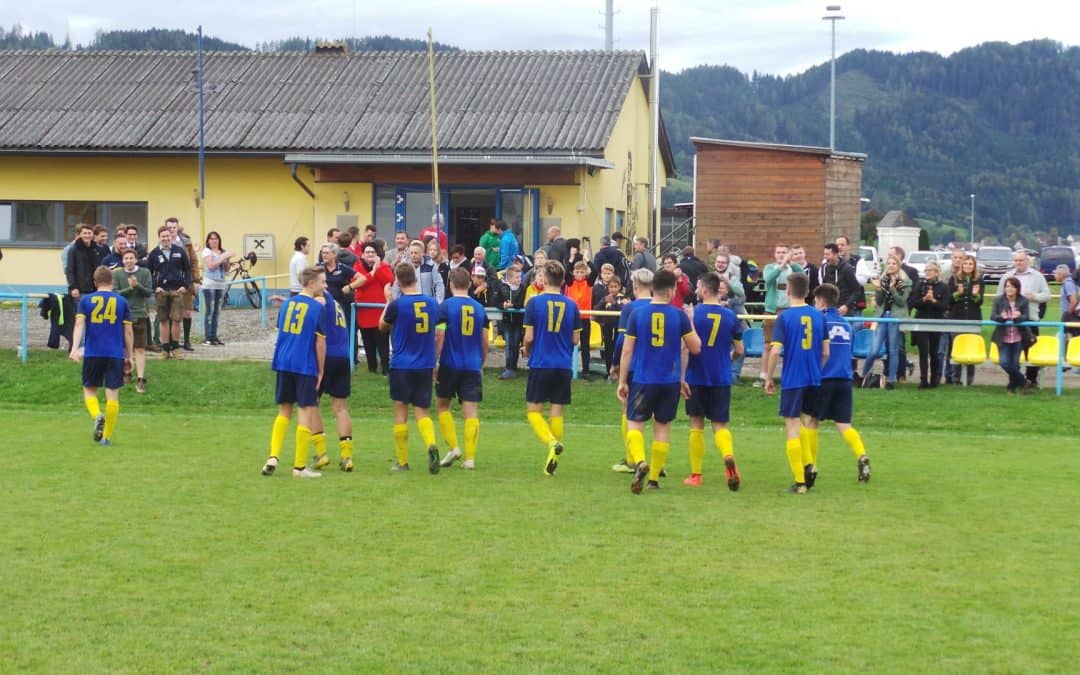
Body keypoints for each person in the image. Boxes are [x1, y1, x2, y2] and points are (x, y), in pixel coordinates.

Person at [618, 269, 701, 493]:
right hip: (670, 380)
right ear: (673, 291)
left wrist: (622, 381)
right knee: (662, 428)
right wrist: (690, 322)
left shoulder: (638, 314)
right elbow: (695, 347)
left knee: (635, 423)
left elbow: (627, 351)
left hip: (644, 378)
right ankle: (654, 478)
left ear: (652, 288)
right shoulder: (679, 315)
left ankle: (640, 461)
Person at [762, 272, 828, 494]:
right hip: (814, 378)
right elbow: (826, 352)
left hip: (793, 378)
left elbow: (775, 350)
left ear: (788, 291)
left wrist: (768, 377)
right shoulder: (819, 316)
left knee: (792, 424)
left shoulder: (785, 318)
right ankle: (810, 463)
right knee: (807, 422)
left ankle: (800, 481)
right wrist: (816, 368)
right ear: (808, 291)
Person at [802, 283, 872, 485]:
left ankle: (812, 465)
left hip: (824, 379)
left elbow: (817, 351)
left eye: (815, 301)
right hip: (844, 379)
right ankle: (861, 455)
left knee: (812, 421)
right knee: (844, 424)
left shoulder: (818, 323)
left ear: (821, 301)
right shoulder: (846, 325)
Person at [260, 267, 327, 478]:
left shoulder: (287, 303)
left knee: (284, 411)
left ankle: (273, 456)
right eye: (321, 282)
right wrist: (321, 371)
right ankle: (299, 467)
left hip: (283, 361)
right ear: (310, 284)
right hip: (303, 364)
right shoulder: (316, 308)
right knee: (305, 410)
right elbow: (320, 343)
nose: (324, 286)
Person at [681, 271, 743, 490]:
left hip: (696, 376)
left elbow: (685, 347)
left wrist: (681, 376)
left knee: (696, 424)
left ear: (705, 290)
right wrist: (728, 358)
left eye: (698, 287)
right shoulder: (730, 316)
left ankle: (696, 475)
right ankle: (728, 456)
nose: (696, 290)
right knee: (720, 424)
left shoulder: (693, 315)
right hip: (721, 376)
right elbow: (739, 350)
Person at [522, 260, 582, 476]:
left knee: (533, 411)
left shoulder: (534, 303)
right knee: (557, 410)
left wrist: (526, 349)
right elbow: (576, 340)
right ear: (563, 280)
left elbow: (528, 337)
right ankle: (554, 453)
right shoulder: (572, 305)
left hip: (541, 362)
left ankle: (551, 443)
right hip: (563, 365)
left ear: (544, 279)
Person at [380, 262, 441, 473]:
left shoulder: (397, 305)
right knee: (422, 411)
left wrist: (388, 300)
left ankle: (403, 461)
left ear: (397, 281)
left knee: (400, 412)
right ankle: (431, 444)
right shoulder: (432, 304)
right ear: (415, 277)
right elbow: (438, 330)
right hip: (425, 364)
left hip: (401, 364)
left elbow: (382, 326)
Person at [70, 266, 134, 446]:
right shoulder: (121, 301)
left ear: (94, 282)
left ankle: (97, 415)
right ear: (112, 282)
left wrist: (75, 348)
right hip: (115, 354)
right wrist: (130, 356)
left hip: (93, 352)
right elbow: (128, 331)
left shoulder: (86, 300)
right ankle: (106, 437)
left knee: (89, 389)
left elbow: (79, 324)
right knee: (113, 395)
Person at [434, 267, 489, 470]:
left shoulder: (445, 307)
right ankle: (470, 458)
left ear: (450, 284)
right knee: (471, 412)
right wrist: (481, 362)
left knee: (442, 406)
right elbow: (485, 341)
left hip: (449, 363)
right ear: (469, 284)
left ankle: (454, 447)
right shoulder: (480, 309)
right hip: (472, 365)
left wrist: (435, 362)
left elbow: (439, 336)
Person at [610, 268, 654, 472]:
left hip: (635, 367)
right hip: (658, 369)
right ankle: (656, 463)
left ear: (635, 285)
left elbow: (622, 341)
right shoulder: (662, 306)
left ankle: (632, 459)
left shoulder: (631, 308)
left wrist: (615, 364)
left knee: (630, 412)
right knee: (655, 417)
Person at [309, 288, 356, 473]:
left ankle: (321, 454)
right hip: (343, 358)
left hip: (325, 357)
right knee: (341, 408)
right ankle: (346, 457)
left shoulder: (320, 299)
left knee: (312, 404)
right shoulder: (336, 303)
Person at [995, 250, 1050, 391]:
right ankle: (1017, 382)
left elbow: (1047, 295)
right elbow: (998, 296)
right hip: (1010, 321)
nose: (1019, 263)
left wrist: (1034, 297)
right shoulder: (1007, 276)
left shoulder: (1037, 276)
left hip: (1030, 320)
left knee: (1031, 352)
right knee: (1012, 356)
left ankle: (1032, 380)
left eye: (1021, 260)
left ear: (1027, 261)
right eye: (1016, 260)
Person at [860, 256, 911, 390]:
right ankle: (864, 375)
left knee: (893, 349)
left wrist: (893, 288)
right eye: (889, 263)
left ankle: (891, 380)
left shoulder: (905, 282)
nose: (891, 265)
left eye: (894, 263)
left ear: (899, 266)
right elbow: (880, 301)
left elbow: (901, 301)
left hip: (894, 317)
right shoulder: (883, 280)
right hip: (882, 316)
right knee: (875, 350)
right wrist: (879, 288)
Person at [757, 243, 804, 387]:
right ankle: (763, 375)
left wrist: (791, 263)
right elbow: (769, 279)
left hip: (789, 310)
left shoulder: (793, 269)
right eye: (779, 252)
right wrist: (782, 265)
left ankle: (790, 374)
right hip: (772, 310)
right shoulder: (769, 268)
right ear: (774, 254)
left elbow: (801, 275)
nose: (781, 254)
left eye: (784, 252)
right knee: (768, 344)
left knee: (791, 344)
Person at [146, 224, 191, 359]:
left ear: (171, 236)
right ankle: (165, 350)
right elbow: (149, 272)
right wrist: (155, 287)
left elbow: (187, 270)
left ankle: (175, 348)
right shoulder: (154, 253)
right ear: (159, 237)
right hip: (161, 291)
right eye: (162, 236)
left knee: (177, 320)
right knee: (163, 320)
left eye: (167, 236)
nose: (165, 238)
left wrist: (186, 285)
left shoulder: (179, 251)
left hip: (177, 290)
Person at [112, 249, 151, 393]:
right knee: (123, 348)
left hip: (139, 314)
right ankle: (126, 372)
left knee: (140, 348)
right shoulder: (117, 274)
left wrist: (137, 286)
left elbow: (148, 292)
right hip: (121, 315)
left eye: (131, 258)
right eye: (126, 258)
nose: (128, 260)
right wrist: (130, 288)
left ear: (136, 259)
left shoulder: (145, 273)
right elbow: (115, 293)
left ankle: (140, 379)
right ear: (123, 260)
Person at [351, 243, 395, 374]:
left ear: (377, 254)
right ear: (362, 255)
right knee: (368, 342)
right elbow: (360, 284)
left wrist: (378, 267)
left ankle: (385, 369)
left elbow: (389, 281)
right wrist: (372, 272)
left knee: (383, 343)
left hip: (380, 313)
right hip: (364, 312)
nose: (370, 255)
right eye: (367, 252)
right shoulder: (357, 267)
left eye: (373, 252)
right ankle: (372, 369)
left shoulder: (384, 266)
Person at [909, 260, 950, 388]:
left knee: (934, 352)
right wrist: (923, 299)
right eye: (926, 270)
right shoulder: (919, 285)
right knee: (923, 351)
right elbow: (912, 303)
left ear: (937, 272)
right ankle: (923, 380)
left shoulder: (943, 287)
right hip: (921, 321)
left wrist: (933, 300)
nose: (927, 272)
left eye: (930, 270)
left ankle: (933, 380)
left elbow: (944, 306)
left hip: (936, 322)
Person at [991, 277, 1035, 394]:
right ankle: (1023, 382)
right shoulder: (998, 300)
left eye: (1012, 286)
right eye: (1007, 286)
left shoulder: (1023, 300)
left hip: (1018, 337)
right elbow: (993, 316)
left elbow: (1026, 316)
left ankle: (1011, 388)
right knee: (1004, 362)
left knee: (1015, 364)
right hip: (1003, 337)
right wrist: (1001, 317)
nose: (1009, 289)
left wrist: (1019, 316)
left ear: (1017, 288)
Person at [945, 255, 984, 384]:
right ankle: (956, 378)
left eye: (970, 264)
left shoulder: (979, 280)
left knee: (971, 348)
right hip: (957, 317)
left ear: (974, 266)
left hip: (973, 317)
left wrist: (975, 295)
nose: (968, 266)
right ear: (962, 265)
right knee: (957, 348)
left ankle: (969, 379)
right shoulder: (954, 279)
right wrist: (958, 294)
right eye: (966, 263)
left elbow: (980, 302)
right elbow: (949, 300)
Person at [172, 221, 202, 352]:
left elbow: (194, 262)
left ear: (178, 228)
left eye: (174, 227)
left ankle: (187, 341)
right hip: (171, 282)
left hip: (186, 281)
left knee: (187, 312)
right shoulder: (163, 243)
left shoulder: (186, 242)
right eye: (169, 227)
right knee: (173, 313)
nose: (172, 230)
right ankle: (174, 341)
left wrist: (195, 279)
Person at [200, 231, 232, 347]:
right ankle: (207, 337)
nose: (214, 241)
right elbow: (211, 265)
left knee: (217, 312)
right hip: (209, 285)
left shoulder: (222, 252)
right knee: (210, 310)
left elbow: (227, 269)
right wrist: (224, 256)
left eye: (216, 238)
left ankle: (214, 336)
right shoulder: (207, 252)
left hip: (220, 285)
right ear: (208, 241)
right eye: (212, 239)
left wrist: (227, 259)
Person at [497, 264, 527, 379]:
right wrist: (503, 305)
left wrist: (513, 305)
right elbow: (496, 301)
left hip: (518, 321)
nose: (519, 279)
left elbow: (521, 303)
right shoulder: (502, 287)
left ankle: (513, 367)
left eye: (520, 277)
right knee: (509, 344)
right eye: (517, 277)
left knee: (515, 344)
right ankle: (508, 368)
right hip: (506, 321)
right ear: (509, 278)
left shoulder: (523, 288)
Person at [566, 260, 594, 379]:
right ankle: (567, 368)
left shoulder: (588, 283)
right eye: (577, 272)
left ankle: (586, 371)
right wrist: (571, 259)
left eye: (582, 272)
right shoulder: (570, 282)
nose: (579, 274)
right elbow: (566, 271)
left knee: (585, 346)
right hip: (571, 318)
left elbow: (595, 271)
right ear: (573, 273)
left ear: (585, 273)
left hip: (585, 318)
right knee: (569, 344)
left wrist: (588, 260)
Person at [598, 274, 628, 377]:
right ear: (608, 287)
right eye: (611, 286)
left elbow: (623, 308)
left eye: (615, 286)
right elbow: (596, 309)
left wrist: (614, 303)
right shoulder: (605, 297)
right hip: (607, 326)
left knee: (617, 348)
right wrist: (604, 302)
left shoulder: (623, 298)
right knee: (608, 348)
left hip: (618, 326)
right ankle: (608, 371)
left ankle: (618, 370)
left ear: (619, 287)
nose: (613, 289)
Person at [66, 224, 99, 300]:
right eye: (85, 233)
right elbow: (69, 270)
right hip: (79, 291)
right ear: (80, 234)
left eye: (89, 233)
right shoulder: (73, 250)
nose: (87, 235)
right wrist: (73, 287)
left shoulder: (95, 249)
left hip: (94, 289)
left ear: (93, 235)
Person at [1055, 264, 1080, 337]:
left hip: (1070, 318)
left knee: (1060, 338)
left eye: (1056, 273)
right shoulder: (1069, 283)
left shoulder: (1068, 284)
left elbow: (1074, 301)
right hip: (1071, 317)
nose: (1055, 275)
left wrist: (1067, 315)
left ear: (1061, 274)